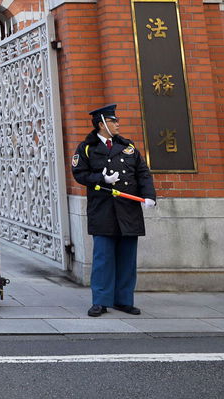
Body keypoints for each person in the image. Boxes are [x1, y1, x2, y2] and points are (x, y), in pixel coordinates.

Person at [71, 103, 156, 318]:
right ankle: (100, 301)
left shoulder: (127, 147)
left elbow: (142, 173)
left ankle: (124, 300)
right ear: (101, 124)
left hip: (128, 209)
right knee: (103, 259)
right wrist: (101, 178)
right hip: (104, 210)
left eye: (116, 121)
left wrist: (149, 197)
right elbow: (79, 174)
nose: (117, 124)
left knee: (127, 258)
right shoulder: (86, 148)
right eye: (113, 121)